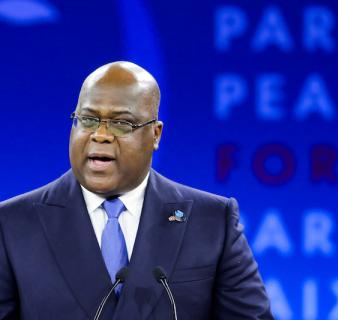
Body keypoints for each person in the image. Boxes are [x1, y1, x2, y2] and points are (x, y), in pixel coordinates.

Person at [0, 61, 273, 319]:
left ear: (155, 135)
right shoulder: (12, 224)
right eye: (88, 119)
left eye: (121, 123)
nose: (101, 134)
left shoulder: (212, 221)